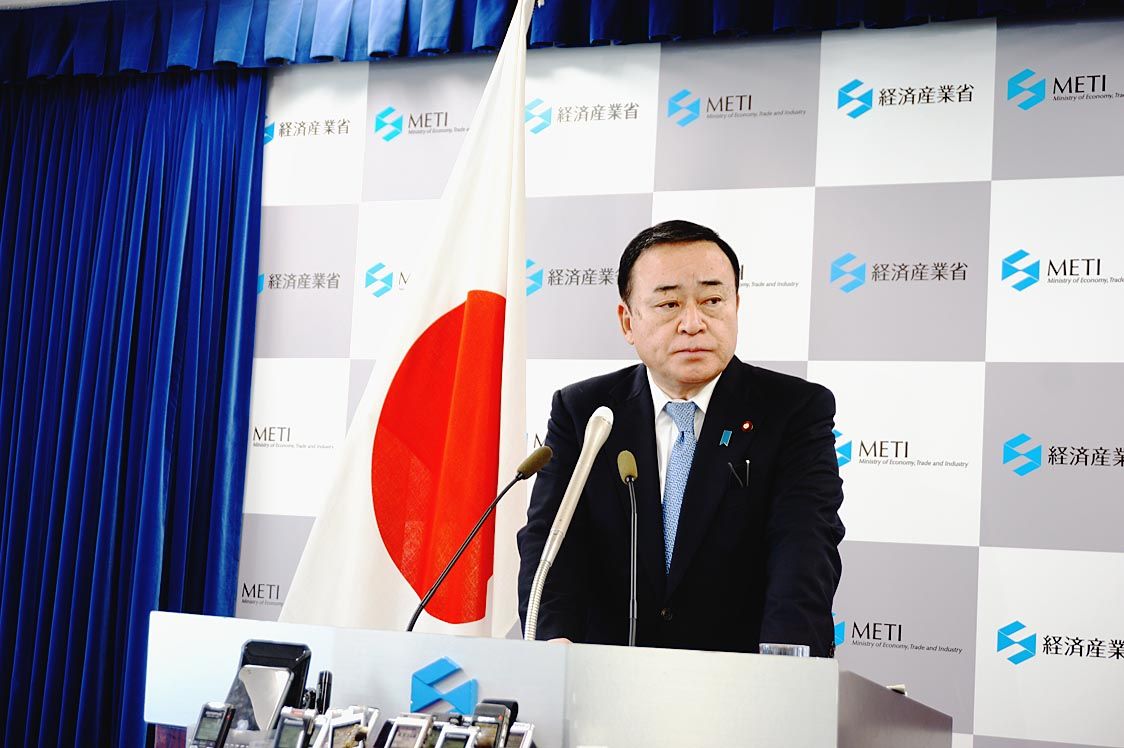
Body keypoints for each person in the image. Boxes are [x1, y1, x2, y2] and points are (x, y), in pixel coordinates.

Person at [516, 219, 845, 657]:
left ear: (736, 306)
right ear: (627, 321)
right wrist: (552, 654)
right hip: (602, 676)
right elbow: (551, 545)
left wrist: (783, 669)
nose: (693, 323)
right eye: (669, 304)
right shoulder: (586, 413)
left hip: (740, 678)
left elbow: (803, 549)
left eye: (712, 301)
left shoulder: (793, 411)